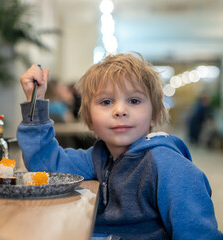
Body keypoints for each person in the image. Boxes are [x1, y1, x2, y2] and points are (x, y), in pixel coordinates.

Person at [17, 53, 222, 240]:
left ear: (156, 115)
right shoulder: (98, 157)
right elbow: (45, 163)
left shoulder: (167, 164)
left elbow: (199, 234)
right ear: (89, 120)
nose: (120, 110)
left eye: (134, 100)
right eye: (106, 102)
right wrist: (35, 101)